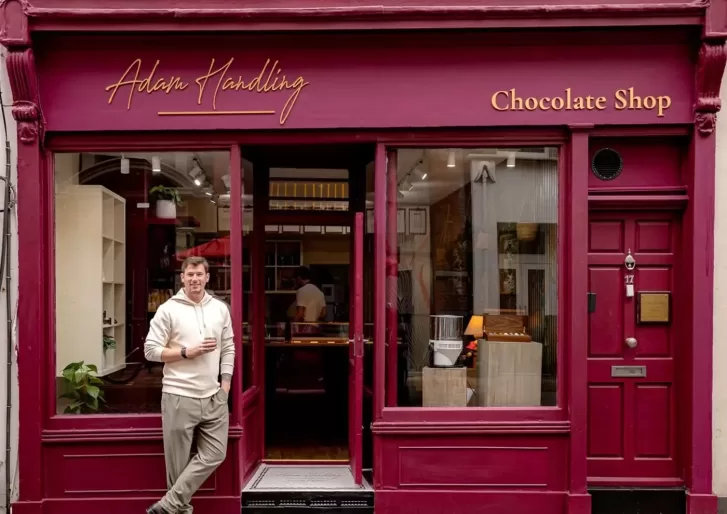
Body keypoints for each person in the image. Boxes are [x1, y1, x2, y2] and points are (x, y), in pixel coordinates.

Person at [144, 256, 235, 514]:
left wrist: (225, 385)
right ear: (182, 278)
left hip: (214, 397)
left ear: (207, 277)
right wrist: (186, 352)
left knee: (216, 453)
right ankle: (176, 509)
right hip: (179, 395)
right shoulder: (168, 310)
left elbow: (228, 347)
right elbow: (150, 351)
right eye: (190, 274)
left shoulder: (220, 309)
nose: (194, 279)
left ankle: (167, 506)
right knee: (178, 467)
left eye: (199, 274)